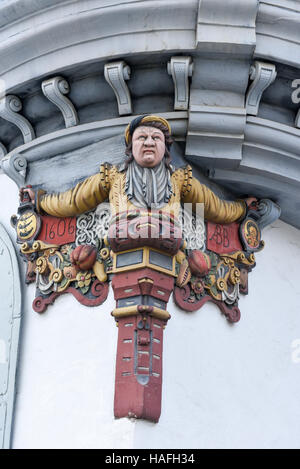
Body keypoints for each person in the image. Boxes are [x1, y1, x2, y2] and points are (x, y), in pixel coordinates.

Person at [21, 115, 255, 225]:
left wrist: (242, 208)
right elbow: (73, 201)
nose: (149, 143)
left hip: (168, 243)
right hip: (122, 241)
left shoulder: (180, 181)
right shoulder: (111, 177)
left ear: (165, 149)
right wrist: (40, 201)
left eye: (156, 138)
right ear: (130, 148)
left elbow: (214, 208)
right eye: (142, 138)